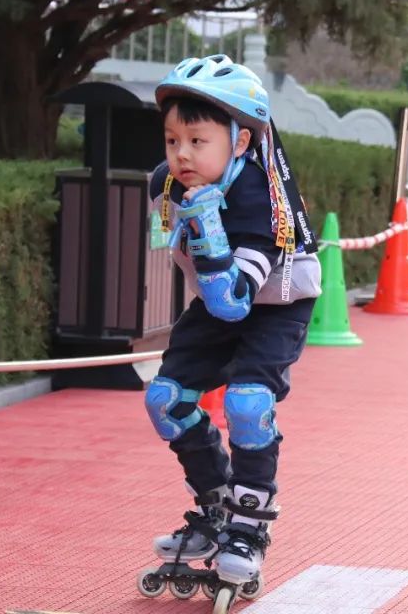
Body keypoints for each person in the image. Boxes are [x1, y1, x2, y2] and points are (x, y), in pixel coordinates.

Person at [143, 54, 322, 593]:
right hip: (217, 300)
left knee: (247, 402)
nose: (182, 154)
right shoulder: (168, 185)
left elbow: (233, 304)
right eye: (173, 140)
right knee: (166, 401)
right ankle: (216, 504)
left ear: (241, 141)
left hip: (276, 303)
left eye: (198, 141)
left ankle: (249, 524)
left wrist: (209, 226)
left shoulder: (261, 199)